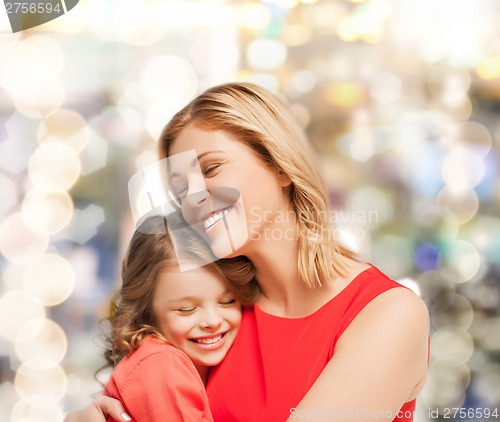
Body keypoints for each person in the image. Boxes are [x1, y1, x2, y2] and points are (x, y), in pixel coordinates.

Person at [65, 82, 429, 422]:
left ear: (280, 165)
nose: (193, 197)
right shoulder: (217, 314)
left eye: (211, 168)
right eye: (180, 187)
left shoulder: (388, 314)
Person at [99, 215, 244, 421]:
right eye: (186, 309)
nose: (212, 321)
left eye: (228, 301)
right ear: (147, 311)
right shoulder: (161, 366)